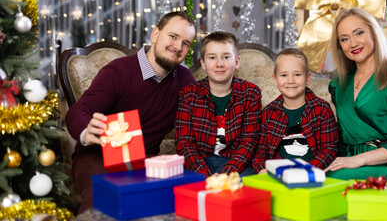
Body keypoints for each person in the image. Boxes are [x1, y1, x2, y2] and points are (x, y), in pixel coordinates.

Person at [65, 11, 196, 214]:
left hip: (147, 161)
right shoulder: (118, 72)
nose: (178, 47)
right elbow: (81, 109)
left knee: (179, 200)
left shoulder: (185, 80)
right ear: (155, 35)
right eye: (173, 36)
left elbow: (206, 115)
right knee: (104, 200)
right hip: (97, 158)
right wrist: (85, 130)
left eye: (186, 43)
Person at [324, 7, 387, 221]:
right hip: (349, 160)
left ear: (373, 33)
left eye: (358, 33)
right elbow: (340, 137)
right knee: (311, 182)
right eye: (344, 38)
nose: (353, 43)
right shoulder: (339, 85)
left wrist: (359, 160)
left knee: (330, 182)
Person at [175, 31, 261, 177]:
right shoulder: (188, 94)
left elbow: (249, 143)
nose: (219, 64)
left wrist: (226, 173)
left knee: (246, 183)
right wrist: (205, 174)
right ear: (203, 63)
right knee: (180, 182)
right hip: (199, 161)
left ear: (237, 62)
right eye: (212, 57)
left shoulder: (251, 93)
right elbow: (184, 143)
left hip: (235, 162)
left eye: (226, 57)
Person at [252, 48, 338, 174]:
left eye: (297, 74)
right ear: (275, 80)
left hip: (312, 171)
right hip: (278, 173)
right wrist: (262, 169)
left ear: (308, 78)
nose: (290, 80)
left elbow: (329, 150)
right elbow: (260, 151)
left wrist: (304, 170)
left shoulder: (322, 109)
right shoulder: (269, 113)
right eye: (284, 75)